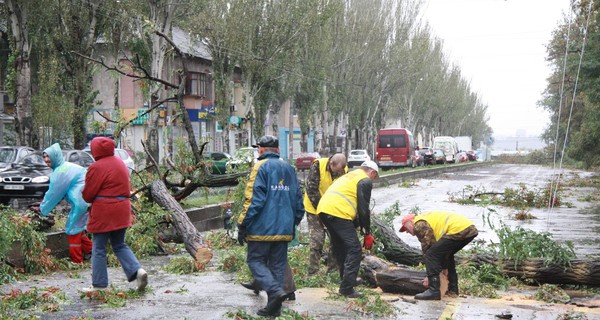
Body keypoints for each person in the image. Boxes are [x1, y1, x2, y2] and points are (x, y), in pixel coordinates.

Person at [237, 135, 304, 317]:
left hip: (261, 228)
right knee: (277, 266)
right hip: (284, 229)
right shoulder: (289, 168)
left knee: (255, 261)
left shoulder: (260, 167)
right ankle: (274, 309)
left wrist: (242, 224)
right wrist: (293, 222)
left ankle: (274, 291)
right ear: (278, 150)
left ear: (260, 149)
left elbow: (253, 200)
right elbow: (299, 200)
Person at [81, 137, 147, 292]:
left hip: (104, 211)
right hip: (123, 208)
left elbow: (88, 195)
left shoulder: (96, 167)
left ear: (96, 150)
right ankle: (138, 271)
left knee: (99, 248)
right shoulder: (120, 164)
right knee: (119, 244)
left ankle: (99, 285)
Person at [317, 160, 379, 298]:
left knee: (341, 247)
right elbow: (363, 210)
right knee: (355, 249)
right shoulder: (365, 180)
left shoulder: (349, 176)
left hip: (324, 210)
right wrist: (367, 233)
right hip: (338, 212)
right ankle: (347, 288)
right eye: (374, 178)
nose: (373, 181)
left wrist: (360, 227)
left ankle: (345, 280)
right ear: (372, 172)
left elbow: (355, 209)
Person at [398, 211, 478, 300]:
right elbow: (439, 250)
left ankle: (434, 291)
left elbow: (428, 247)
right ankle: (452, 290)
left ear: (410, 222)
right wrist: (444, 267)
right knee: (447, 254)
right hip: (469, 229)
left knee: (431, 255)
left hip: (458, 229)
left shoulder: (418, 224)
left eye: (405, 228)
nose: (406, 232)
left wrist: (429, 275)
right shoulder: (425, 219)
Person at [35, 143, 91, 263]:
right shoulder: (66, 167)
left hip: (80, 202)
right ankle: (93, 252)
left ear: (55, 156)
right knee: (78, 228)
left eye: (48, 156)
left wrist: (42, 209)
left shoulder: (61, 172)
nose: (46, 160)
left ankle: (76, 261)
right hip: (85, 201)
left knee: (72, 229)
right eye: (44, 157)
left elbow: (53, 194)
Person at [304, 153, 347, 275]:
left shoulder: (344, 170)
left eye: (340, 171)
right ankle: (313, 272)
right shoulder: (318, 165)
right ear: (330, 164)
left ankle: (332, 271)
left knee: (336, 239)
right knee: (317, 240)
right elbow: (311, 190)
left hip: (333, 211)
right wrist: (322, 210)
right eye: (336, 171)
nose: (337, 173)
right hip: (314, 208)